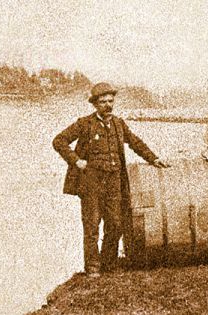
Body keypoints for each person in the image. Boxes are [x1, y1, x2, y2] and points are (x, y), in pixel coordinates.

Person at [52, 82, 169, 278]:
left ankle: (109, 263)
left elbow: (135, 143)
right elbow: (59, 141)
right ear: (95, 104)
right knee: (92, 226)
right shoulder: (84, 124)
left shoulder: (118, 124)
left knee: (116, 224)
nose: (108, 105)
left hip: (114, 183)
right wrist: (76, 161)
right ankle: (93, 267)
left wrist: (154, 158)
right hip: (91, 184)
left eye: (111, 101)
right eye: (103, 102)